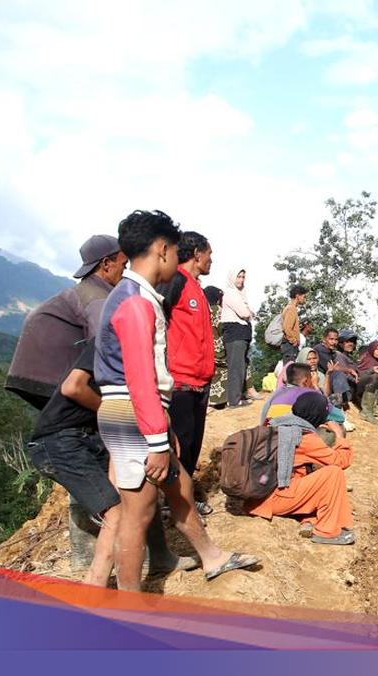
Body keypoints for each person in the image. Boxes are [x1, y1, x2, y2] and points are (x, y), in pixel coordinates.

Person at [95, 210, 258, 590]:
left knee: (180, 485)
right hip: (131, 411)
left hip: (138, 411)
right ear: (163, 250)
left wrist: (162, 429)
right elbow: (140, 378)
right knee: (137, 514)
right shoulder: (136, 302)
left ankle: (211, 556)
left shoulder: (136, 296)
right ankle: (129, 604)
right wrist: (156, 439)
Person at [25, 339, 200, 586]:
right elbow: (73, 387)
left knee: (137, 493)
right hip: (61, 441)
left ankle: (159, 558)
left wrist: (163, 429)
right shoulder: (112, 339)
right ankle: (95, 585)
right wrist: (112, 410)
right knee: (116, 513)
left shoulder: (144, 346)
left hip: (96, 434)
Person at [6, 234, 128, 409]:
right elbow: (106, 345)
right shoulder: (97, 297)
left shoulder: (83, 291)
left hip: (28, 377)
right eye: (124, 265)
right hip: (52, 381)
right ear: (106, 264)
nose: (125, 271)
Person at [245, 391, 355, 546]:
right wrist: (340, 437)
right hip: (272, 500)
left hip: (256, 495)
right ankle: (326, 532)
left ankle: (308, 519)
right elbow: (340, 461)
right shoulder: (304, 437)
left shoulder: (276, 424)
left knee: (306, 473)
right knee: (333, 473)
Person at [159, 232, 216, 516]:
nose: (211, 260)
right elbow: (157, 318)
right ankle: (174, 504)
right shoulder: (176, 281)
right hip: (180, 381)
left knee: (192, 445)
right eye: (209, 254)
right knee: (180, 445)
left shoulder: (198, 289)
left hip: (201, 381)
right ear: (196, 253)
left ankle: (185, 498)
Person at [220, 268, 256, 407]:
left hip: (241, 334)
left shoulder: (240, 294)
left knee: (241, 366)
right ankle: (234, 400)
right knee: (236, 368)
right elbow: (244, 313)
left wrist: (249, 313)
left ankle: (238, 397)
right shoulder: (231, 293)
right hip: (235, 334)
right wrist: (249, 313)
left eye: (243, 277)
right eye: (238, 276)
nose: (241, 280)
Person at [354, 339, 378, 423]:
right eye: (377, 349)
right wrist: (372, 370)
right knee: (375, 377)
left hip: (368, 386)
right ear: (372, 349)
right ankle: (366, 412)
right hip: (358, 386)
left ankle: (372, 407)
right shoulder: (366, 359)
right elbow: (360, 373)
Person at [204, 286, 228, 408]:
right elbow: (223, 329)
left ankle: (212, 399)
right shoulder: (218, 310)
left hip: (206, 349)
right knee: (225, 371)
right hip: (219, 348)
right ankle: (222, 400)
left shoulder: (203, 310)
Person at [281, 285, 307, 364]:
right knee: (291, 369)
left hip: (289, 346)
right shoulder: (291, 308)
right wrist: (294, 341)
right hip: (290, 346)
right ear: (297, 296)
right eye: (304, 296)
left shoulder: (290, 308)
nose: (304, 299)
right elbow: (287, 328)